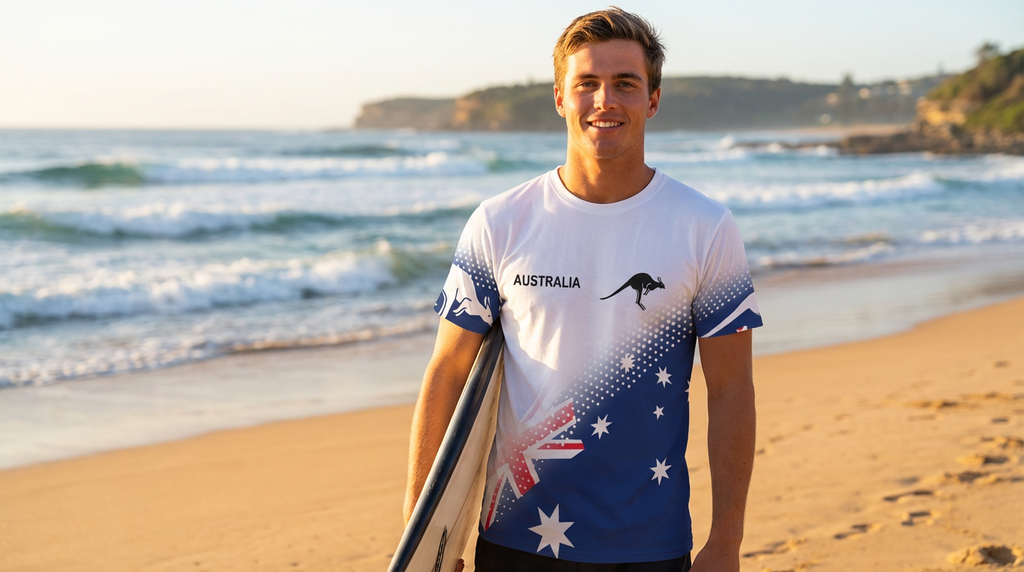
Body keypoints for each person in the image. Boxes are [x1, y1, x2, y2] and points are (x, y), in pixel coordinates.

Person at [405, 7, 762, 572]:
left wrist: (726, 541)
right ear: (560, 98)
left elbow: (731, 389)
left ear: (653, 99)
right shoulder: (500, 222)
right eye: (587, 83)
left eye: (626, 83)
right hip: (516, 538)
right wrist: (422, 535)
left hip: (650, 542)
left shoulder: (704, 227)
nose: (605, 100)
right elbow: (447, 371)